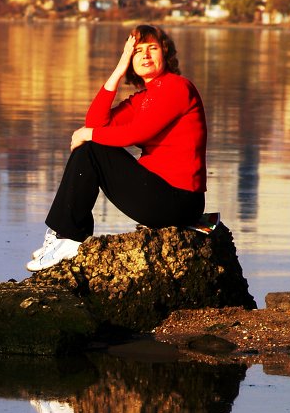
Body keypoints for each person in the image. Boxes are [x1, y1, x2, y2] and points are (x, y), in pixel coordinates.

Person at [27, 24, 209, 272]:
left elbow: (135, 133)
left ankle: (69, 237)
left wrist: (88, 134)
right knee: (91, 145)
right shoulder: (144, 98)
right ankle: (63, 235)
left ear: (165, 54)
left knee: (91, 148)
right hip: (158, 193)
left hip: (178, 199)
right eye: (137, 51)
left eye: (152, 48)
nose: (145, 55)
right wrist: (119, 68)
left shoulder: (176, 87)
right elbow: (95, 122)